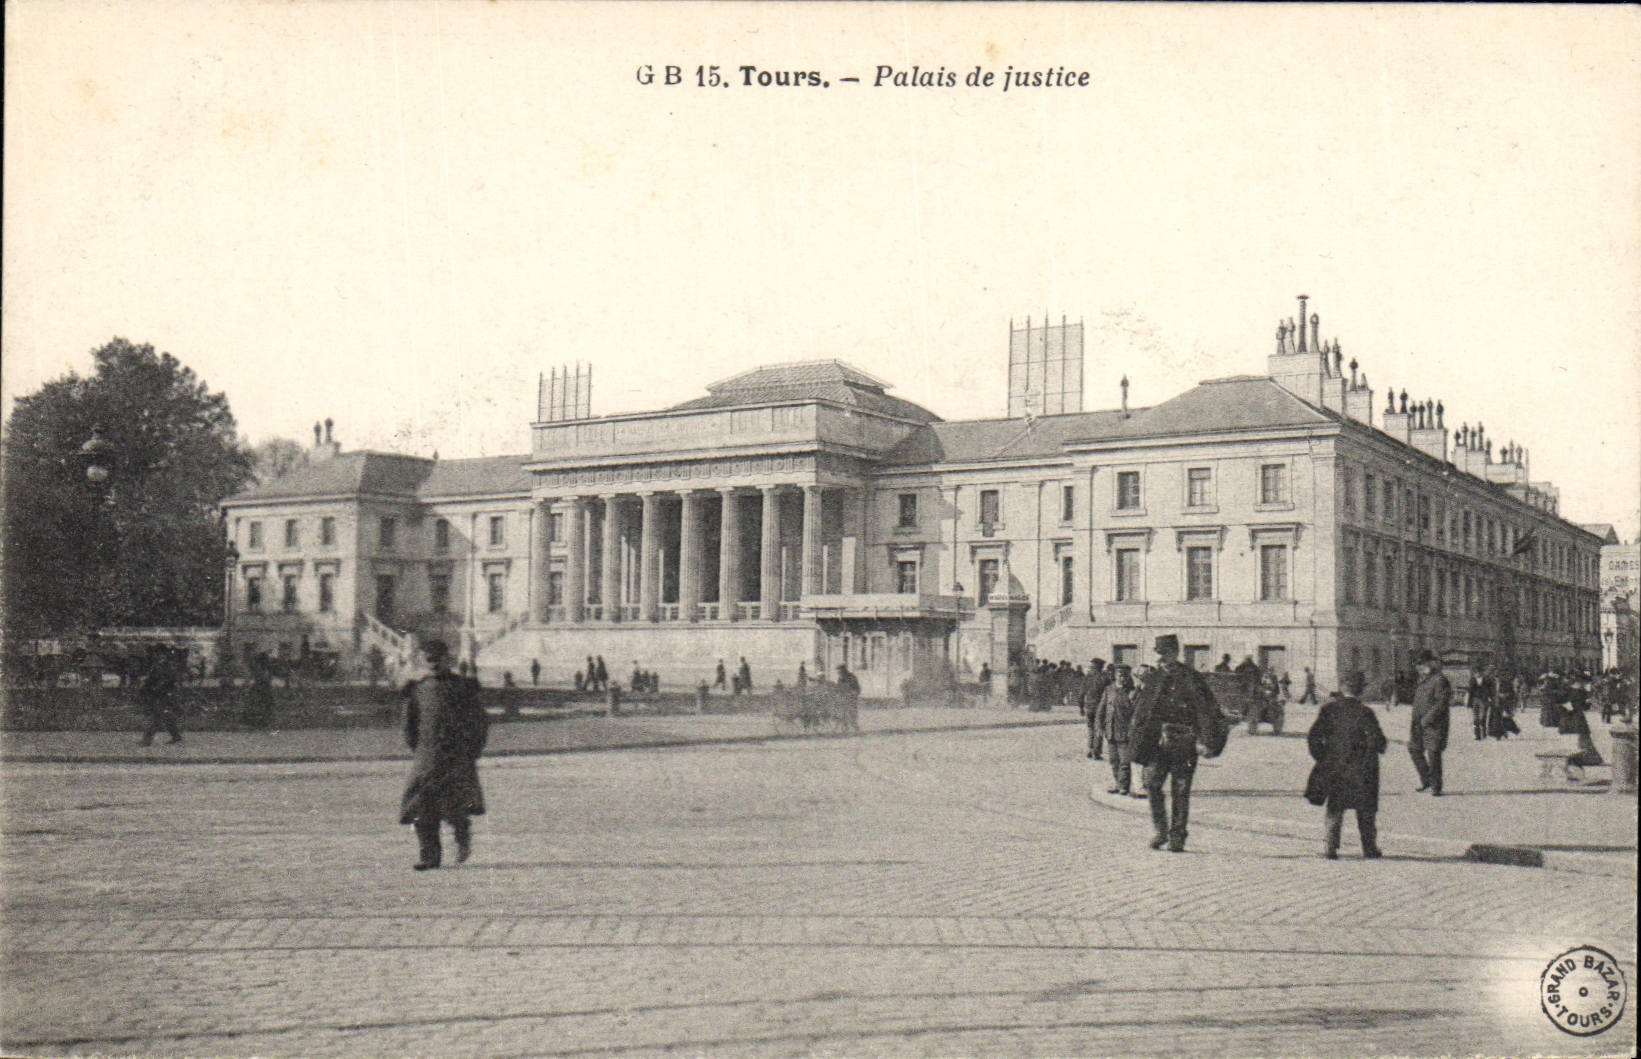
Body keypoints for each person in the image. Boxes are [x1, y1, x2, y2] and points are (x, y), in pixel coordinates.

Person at [1131, 634, 1228, 852]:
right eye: (1159, 654)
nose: (1162, 658)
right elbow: (1142, 713)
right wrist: (1138, 744)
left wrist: (1205, 740)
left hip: (1185, 742)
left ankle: (1177, 836)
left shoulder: (1191, 678)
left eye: (1165, 653)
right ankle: (1160, 830)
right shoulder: (1154, 679)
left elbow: (1206, 711)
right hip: (1158, 743)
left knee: (1181, 790)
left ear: (1176, 653)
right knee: (1153, 785)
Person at [399, 639, 489, 871]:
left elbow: (479, 722)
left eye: (437, 659)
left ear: (447, 659)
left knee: (454, 804)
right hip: (427, 756)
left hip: (456, 755)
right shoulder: (417, 689)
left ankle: (462, 835)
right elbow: (409, 726)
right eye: (428, 659)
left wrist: (472, 750)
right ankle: (429, 856)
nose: (433, 664)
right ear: (421, 660)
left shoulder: (463, 687)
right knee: (422, 807)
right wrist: (420, 751)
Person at [1305, 670, 1386, 860]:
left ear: (1342, 688)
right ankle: (1369, 848)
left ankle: (1330, 847)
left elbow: (1313, 737)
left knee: (1335, 807)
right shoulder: (1365, 712)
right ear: (1361, 691)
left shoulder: (1328, 710)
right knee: (1365, 810)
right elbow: (1378, 741)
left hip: (1336, 767)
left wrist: (1323, 758)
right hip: (1362, 770)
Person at [1407, 650, 1451, 796]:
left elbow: (1442, 703)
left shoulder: (1439, 680)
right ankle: (1427, 780)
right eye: (1417, 664)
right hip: (1418, 723)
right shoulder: (1422, 679)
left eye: (1421, 664)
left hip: (1434, 724)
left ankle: (1436, 787)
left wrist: (1427, 719)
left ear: (1430, 663)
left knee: (1433, 753)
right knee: (1414, 749)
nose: (1419, 667)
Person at [1097, 665, 1142, 797]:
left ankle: (1123, 786)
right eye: (1120, 675)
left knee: (1124, 762)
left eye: (1125, 676)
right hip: (1110, 730)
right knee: (1114, 761)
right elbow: (1101, 709)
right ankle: (1118, 783)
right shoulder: (1108, 689)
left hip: (1124, 732)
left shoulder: (1132, 692)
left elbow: (1135, 713)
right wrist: (1099, 727)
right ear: (1115, 676)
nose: (1122, 678)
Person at [138, 645, 183, 746]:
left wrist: (157, 686)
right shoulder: (157, 666)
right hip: (159, 694)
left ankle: (146, 740)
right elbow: (152, 679)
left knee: (157, 717)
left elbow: (170, 679)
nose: (158, 655)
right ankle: (176, 736)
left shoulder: (168, 666)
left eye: (160, 653)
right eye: (157, 653)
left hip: (166, 694)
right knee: (166, 716)